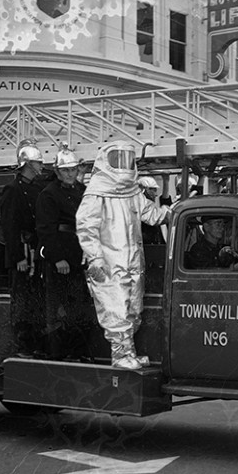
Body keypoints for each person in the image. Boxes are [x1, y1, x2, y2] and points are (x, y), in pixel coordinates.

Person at [76, 141, 171, 370]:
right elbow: (86, 227)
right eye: (118, 159)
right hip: (109, 264)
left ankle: (129, 352)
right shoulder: (96, 193)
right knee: (115, 308)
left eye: (126, 159)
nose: (123, 165)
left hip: (132, 262)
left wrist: (173, 212)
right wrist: (95, 258)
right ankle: (119, 356)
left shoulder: (133, 193)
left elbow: (151, 214)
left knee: (133, 309)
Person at [35, 146, 96, 361]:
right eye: (65, 170)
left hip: (80, 255)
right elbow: (46, 229)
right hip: (60, 258)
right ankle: (59, 354)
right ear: (58, 171)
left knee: (80, 308)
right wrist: (57, 258)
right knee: (58, 310)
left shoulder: (82, 190)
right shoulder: (49, 194)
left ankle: (79, 352)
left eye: (72, 169)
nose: (70, 174)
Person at [0, 140, 48, 357]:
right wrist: (18, 256)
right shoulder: (12, 189)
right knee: (21, 300)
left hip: (35, 252)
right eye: (38, 163)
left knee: (35, 298)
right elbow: (10, 226)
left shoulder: (36, 187)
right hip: (21, 253)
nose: (40, 167)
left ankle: (36, 341)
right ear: (27, 164)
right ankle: (22, 343)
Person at [139, 176, 171, 244]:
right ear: (145, 190)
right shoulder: (142, 205)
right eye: (153, 190)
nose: (155, 194)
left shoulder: (147, 206)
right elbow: (158, 217)